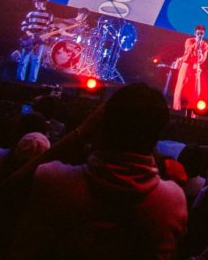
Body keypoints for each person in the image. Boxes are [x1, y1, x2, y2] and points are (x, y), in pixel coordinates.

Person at [10, 83, 187, 258]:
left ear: (102, 122)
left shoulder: (54, 181)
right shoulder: (173, 202)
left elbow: (8, 189)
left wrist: (82, 131)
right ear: (158, 134)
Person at [173, 24, 208, 112]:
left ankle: (191, 111)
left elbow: (203, 59)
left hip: (196, 67)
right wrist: (197, 43)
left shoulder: (205, 45)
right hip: (186, 66)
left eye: (201, 33)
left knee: (195, 89)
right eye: (198, 33)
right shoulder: (189, 41)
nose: (200, 35)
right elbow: (188, 52)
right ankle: (177, 108)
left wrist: (200, 54)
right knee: (181, 87)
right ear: (195, 33)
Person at [17, 0, 53, 82]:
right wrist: (29, 33)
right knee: (23, 60)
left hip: (40, 41)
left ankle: (32, 81)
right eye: (35, 2)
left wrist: (45, 35)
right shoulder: (31, 13)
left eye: (38, 2)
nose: (35, 4)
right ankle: (19, 79)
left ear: (43, 3)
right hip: (29, 39)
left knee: (36, 61)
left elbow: (51, 28)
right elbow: (24, 25)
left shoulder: (49, 15)